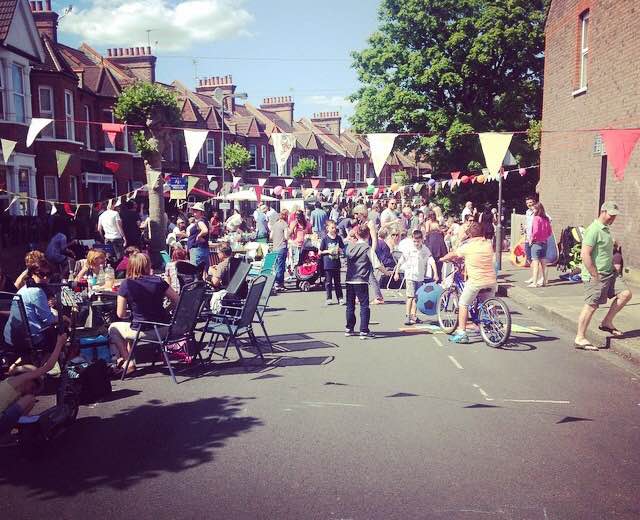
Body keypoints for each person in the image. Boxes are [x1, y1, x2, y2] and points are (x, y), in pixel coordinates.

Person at [574, 202, 633, 350]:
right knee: (592, 305)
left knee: (625, 294)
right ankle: (580, 338)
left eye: (615, 216)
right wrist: (594, 274)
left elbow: (604, 252)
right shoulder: (594, 229)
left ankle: (606, 322)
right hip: (596, 274)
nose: (613, 218)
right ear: (603, 211)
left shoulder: (606, 229)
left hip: (610, 272)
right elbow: (585, 254)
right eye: (611, 215)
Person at [108, 253, 179, 373]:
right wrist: (165, 310)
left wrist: (132, 314)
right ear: (148, 265)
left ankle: (128, 361)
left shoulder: (126, 284)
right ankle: (129, 358)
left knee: (114, 328)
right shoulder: (159, 281)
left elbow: (120, 314)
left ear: (131, 266)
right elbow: (177, 300)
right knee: (132, 324)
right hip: (165, 328)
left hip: (144, 331)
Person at [440, 222, 497, 344]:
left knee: (463, 303)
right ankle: (495, 326)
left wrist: (443, 258)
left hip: (476, 281)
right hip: (491, 281)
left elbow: (454, 253)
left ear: (470, 234)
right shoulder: (488, 244)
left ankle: (461, 333)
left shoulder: (467, 247)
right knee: (489, 304)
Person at [0, 333, 67, 435]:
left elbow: (16, 367)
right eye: (32, 387)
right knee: (30, 399)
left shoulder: (8, 381)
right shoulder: (19, 380)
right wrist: (59, 343)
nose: (31, 391)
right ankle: (10, 432)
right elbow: (48, 367)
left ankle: (8, 433)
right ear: (29, 379)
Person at [3, 258, 60, 349]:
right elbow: (48, 320)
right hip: (30, 341)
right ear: (32, 274)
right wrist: (61, 317)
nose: (45, 278)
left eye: (48, 274)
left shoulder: (23, 289)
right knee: (61, 333)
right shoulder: (37, 291)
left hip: (10, 338)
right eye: (41, 274)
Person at [394, 229, 438, 326]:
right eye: (414, 241)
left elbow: (431, 261)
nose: (416, 243)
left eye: (418, 241)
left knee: (416, 298)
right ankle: (407, 315)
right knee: (410, 296)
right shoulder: (409, 249)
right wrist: (396, 273)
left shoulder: (425, 249)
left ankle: (413, 315)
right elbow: (401, 261)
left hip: (420, 277)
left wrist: (435, 273)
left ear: (422, 240)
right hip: (410, 276)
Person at [345, 224, 375, 340]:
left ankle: (349, 328)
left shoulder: (350, 247)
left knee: (350, 305)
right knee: (364, 305)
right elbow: (376, 263)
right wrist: (386, 272)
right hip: (361, 279)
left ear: (357, 235)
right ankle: (364, 330)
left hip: (350, 279)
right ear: (368, 235)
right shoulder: (367, 248)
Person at [319, 220, 345, 305]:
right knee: (328, 282)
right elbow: (320, 251)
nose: (334, 229)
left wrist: (340, 250)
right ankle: (329, 298)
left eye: (335, 227)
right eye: (332, 228)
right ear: (327, 228)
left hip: (336, 263)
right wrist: (328, 251)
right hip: (328, 264)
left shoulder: (338, 238)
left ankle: (340, 298)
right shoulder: (325, 239)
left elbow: (342, 249)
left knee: (337, 282)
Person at [528, 202, 553, 287]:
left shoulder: (536, 218)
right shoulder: (546, 219)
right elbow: (549, 232)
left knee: (535, 263)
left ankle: (534, 283)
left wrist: (532, 239)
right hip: (544, 243)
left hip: (536, 243)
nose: (533, 211)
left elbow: (535, 231)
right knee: (544, 264)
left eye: (534, 209)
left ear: (538, 210)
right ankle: (545, 282)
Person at [270, 209, 290, 291]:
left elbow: (271, 236)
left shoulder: (275, 224)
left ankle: (278, 283)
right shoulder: (285, 224)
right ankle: (278, 284)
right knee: (281, 267)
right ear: (286, 216)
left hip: (275, 247)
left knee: (277, 266)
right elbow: (286, 237)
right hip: (282, 247)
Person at [187, 202, 210, 270]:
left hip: (197, 249)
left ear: (201, 212)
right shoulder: (205, 220)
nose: (194, 212)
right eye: (194, 210)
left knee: (194, 271)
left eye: (196, 210)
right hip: (203, 248)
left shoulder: (200, 221)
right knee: (204, 271)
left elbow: (205, 230)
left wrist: (199, 236)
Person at [523, 194, 537, 282]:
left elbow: (549, 219)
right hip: (528, 238)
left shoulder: (538, 211)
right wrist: (525, 228)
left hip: (535, 239)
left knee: (536, 259)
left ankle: (540, 277)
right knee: (528, 258)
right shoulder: (527, 212)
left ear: (534, 202)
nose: (529, 204)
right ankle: (533, 276)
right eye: (527, 203)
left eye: (531, 202)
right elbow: (527, 223)